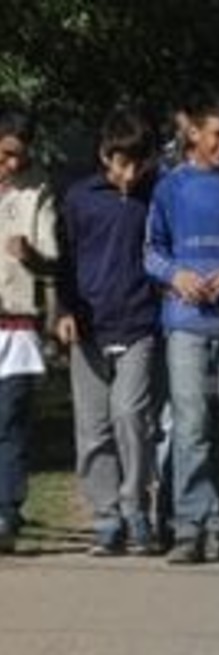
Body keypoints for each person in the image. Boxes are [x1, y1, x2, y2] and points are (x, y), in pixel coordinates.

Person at [144, 95, 219, 564]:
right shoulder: (170, 188)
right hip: (186, 322)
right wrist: (176, 275)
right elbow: (151, 251)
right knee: (191, 422)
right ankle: (189, 524)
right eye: (216, 133)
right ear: (193, 132)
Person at [56, 109, 161, 556]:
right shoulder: (79, 199)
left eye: (140, 164)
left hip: (139, 324)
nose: (131, 173)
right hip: (88, 328)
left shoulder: (154, 197)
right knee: (93, 428)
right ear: (105, 156)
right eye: (123, 163)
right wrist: (63, 309)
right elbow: (64, 261)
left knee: (130, 415)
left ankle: (136, 506)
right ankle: (106, 517)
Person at [0, 108, 60, 553]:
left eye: (21, 156)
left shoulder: (38, 189)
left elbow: (52, 260)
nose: (13, 165)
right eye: (5, 155)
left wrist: (31, 255)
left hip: (17, 320)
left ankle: (7, 508)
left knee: (11, 419)